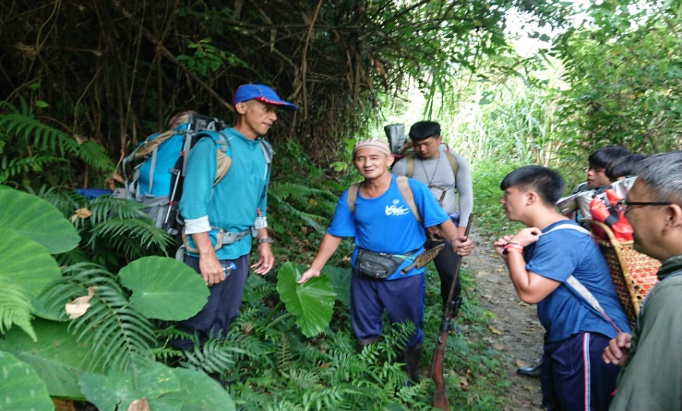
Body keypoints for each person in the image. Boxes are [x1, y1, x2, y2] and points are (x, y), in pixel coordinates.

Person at [297, 139, 473, 383]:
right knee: (365, 327)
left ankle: (407, 379)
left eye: (374, 158)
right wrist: (315, 268)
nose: (367, 163)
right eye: (361, 159)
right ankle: (366, 379)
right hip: (364, 273)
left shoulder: (411, 190)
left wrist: (455, 240)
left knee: (407, 328)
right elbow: (335, 233)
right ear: (354, 163)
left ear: (389, 160)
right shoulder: (351, 194)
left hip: (405, 274)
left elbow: (441, 221)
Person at [493, 165, 631, 410]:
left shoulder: (562, 239)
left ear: (530, 197)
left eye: (508, 194)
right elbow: (534, 279)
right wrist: (512, 254)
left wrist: (514, 248)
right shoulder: (548, 234)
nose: (503, 201)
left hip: (588, 338)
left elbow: (530, 292)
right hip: (567, 335)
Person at [174, 84, 297, 348]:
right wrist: (206, 255)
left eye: (275, 112)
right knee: (194, 319)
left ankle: (211, 374)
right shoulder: (214, 146)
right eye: (266, 109)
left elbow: (259, 202)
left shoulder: (263, 151)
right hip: (207, 249)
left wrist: (264, 242)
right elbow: (193, 204)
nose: (273, 117)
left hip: (240, 251)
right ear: (242, 108)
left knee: (224, 318)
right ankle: (180, 380)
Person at [602, 152, 682, 411]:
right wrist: (641, 353)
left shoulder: (674, 295)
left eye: (631, 206)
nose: (624, 217)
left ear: (671, 216)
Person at [391, 121, 473, 323]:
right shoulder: (403, 165)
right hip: (413, 228)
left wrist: (461, 227)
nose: (422, 149)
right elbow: (393, 198)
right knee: (404, 272)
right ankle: (402, 318)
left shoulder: (455, 162)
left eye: (427, 143)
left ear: (439, 139)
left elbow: (465, 194)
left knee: (449, 273)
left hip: (446, 227)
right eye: (417, 144)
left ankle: (450, 316)